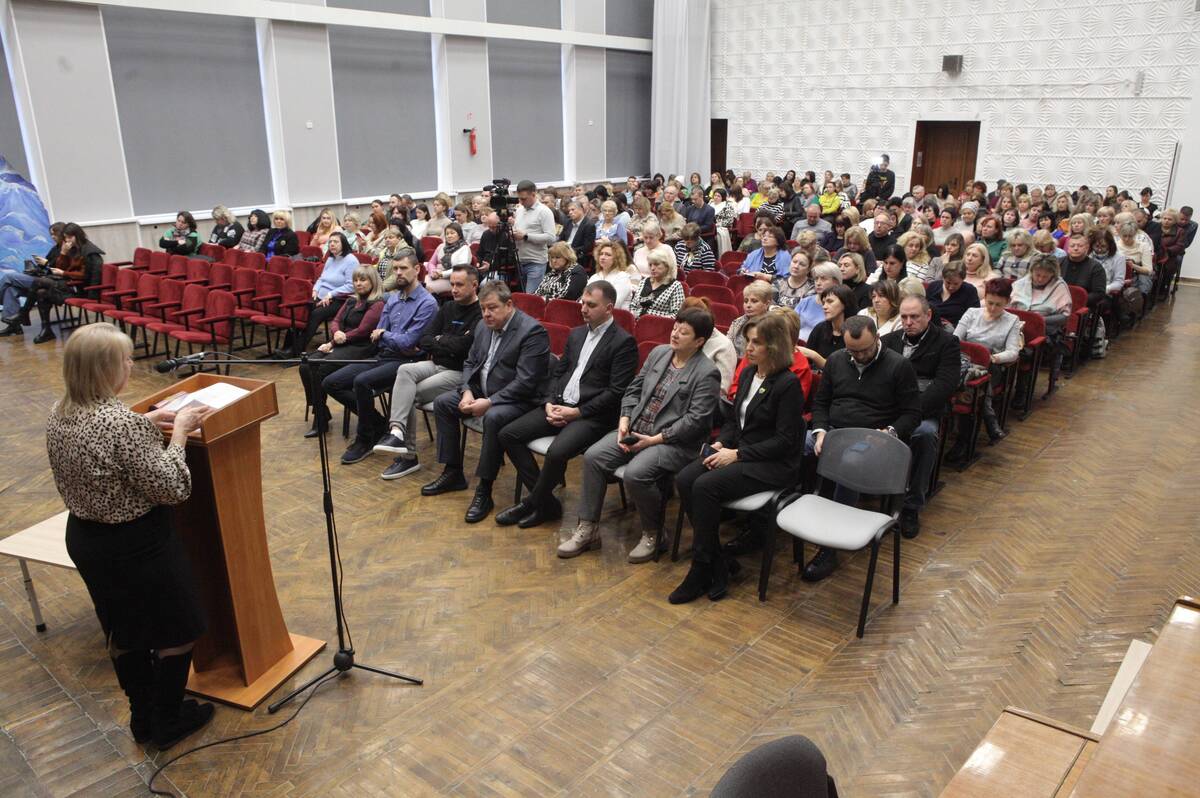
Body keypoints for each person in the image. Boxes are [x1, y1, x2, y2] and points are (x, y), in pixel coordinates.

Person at [45, 323, 213, 750]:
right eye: (125, 359)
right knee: (179, 629)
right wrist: (178, 430)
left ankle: (143, 718)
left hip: (88, 539)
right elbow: (175, 487)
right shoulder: (121, 424)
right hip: (136, 542)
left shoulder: (61, 411)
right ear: (105, 369)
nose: (131, 365)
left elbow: (107, 449)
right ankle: (169, 720)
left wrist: (145, 420)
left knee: (125, 630)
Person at [558, 307, 721, 562]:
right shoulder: (659, 353)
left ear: (699, 341)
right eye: (675, 327)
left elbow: (695, 421)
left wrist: (653, 440)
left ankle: (655, 534)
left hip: (673, 443)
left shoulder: (707, 372)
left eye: (684, 332)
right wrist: (624, 421)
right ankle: (588, 529)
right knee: (593, 457)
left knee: (637, 473)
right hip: (635, 430)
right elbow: (633, 390)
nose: (675, 334)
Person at [671, 313, 805, 603]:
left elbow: (785, 442)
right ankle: (718, 561)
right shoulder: (747, 373)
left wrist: (737, 454)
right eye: (748, 341)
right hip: (740, 452)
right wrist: (722, 443)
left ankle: (701, 567)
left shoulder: (787, 384)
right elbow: (733, 421)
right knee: (685, 478)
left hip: (773, 464)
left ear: (774, 346)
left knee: (706, 486)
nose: (749, 347)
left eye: (757, 342)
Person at [496, 282, 638, 528]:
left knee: (557, 452)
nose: (583, 308)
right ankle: (547, 503)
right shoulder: (576, 334)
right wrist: (550, 402)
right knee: (508, 434)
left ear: (609, 308)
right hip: (561, 405)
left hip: (591, 416)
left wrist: (578, 412)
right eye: (583, 302)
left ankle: (532, 503)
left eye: (591, 305)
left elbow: (616, 393)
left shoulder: (623, 343)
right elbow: (557, 374)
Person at [803, 315, 920, 581]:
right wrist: (819, 430)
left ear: (877, 338)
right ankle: (775, 521)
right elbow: (821, 403)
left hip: (871, 438)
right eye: (853, 351)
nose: (859, 356)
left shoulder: (898, 366)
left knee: (851, 463)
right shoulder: (836, 360)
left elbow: (912, 414)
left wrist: (889, 433)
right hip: (832, 432)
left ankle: (831, 546)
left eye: (865, 349)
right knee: (791, 443)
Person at [424, 281, 550, 523]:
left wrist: (489, 402)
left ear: (509, 305)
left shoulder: (532, 332)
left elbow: (526, 382)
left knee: (493, 418)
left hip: (518, 400)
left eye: (492, 308)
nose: (486, 314)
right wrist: (467, 391)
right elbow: (471, 362)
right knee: (443, 403)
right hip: (482, 392)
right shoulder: (483, 326)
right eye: (483, 309)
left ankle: (484, 490)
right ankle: (453, 472)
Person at [373, 265, 482, 478]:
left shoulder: (480, 312)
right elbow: (425, 339)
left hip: (459, 372)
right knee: (404, 370)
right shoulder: (448, 307)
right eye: (452, 284)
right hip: (437, 365)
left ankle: (408, 457)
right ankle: (396, 431)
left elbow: (464, 348)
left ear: (475, 285)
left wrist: (440, 340)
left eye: (460, 285)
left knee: (409, 394)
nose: (454, 289)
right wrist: (444, 341)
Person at [325, 256, 437, 464]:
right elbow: (378, 334)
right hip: (383, 355)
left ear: (417, 269)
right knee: (331, 382)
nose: (399, 273)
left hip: (407, 363)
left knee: (362, 381)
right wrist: (388, 336)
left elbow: (406, 343)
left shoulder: (427, 303)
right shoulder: (393, 298)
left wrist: (386, 335)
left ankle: (365, 438)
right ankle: (379, 425)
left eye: (404, 268)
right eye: (395, 269)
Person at [880, 294, 962, 534]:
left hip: (924, 410)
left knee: (924, 435)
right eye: (904, 317)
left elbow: (944, 386)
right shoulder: (888, 340)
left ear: (928, 315)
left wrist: (910, 415)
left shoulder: (946, 343)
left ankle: (911, 506)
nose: (908, 322)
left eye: (914, 317)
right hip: (890, 408)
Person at [298, 266, 385, 437]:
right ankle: (321, 412)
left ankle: (321, 419)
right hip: (342, 343)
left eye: (363, 280)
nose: (358, 283)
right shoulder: (351, 300)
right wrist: (336, 334)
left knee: (319, 368)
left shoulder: (377, 304)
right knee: (305, 366)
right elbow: (335, 320)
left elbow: (363, 330)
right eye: (356, 280)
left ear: (373, 281)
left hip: (361, 348)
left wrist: (336, 340)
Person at [953, 278, 1021, 446]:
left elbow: (1013, 351)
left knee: (977, 385)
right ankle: (990, 422)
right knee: (972, 383)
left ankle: (964, 440)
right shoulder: (972, 313)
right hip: (965, 362)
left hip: (992, 365)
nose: (992, 308)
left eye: (998, 305)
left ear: (1007, 302)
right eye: (990, 303)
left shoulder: (1012, 320)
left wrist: (995, 358)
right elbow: (955, 340)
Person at [1010, 252, 1073, 395]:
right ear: (1031, 271)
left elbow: (1064, 316)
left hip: (1045, 330)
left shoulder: (1059, 286)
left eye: (1045, 276)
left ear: (1053, 274)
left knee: (1028, 352)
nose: (1039, 279)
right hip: (1017, 326)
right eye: (1037, 275)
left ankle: (1022, 390)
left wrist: (1038, 320)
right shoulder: (1021, 283)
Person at [288, 231, 357, 356]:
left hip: (340, 300)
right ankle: (287, 347)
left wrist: (331, 294)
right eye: (330, 242)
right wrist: (315, 289)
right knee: (299, 311)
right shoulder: (331, 258)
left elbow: (351, 286)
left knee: (315, 314)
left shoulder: (351, 260)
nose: (332, 244)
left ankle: (295, 351)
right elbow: (322, 278)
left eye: (336, 242)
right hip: (321, 296)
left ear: (344, 244)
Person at [682, 295, 738, 394]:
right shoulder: (682, 336)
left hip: (700, 398)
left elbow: (721, 388)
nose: (679, 331)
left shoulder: (724, 345)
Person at [513, 180, 559, 293]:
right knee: (522, 299)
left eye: (523, 198)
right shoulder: (519, 210)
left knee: (530, 300)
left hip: (536, 262)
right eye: (519, 198)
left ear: (533, 194)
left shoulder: (544, 211)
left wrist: (526, 236)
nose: (521, 202)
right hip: (520, 261)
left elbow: (551, 238)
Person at [800, 284, 858, 369]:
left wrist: (815, 356)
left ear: (845, 303)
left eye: (830, 302)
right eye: (823, 303)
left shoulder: (855, 332)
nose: (824, 307)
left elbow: (845, 370)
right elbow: (806, 361)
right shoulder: (820, 328)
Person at [630, 249, 685, 320]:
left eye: (656, 264)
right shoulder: (644, 282)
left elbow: (676, 315)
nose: (652, 268)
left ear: (667, 266)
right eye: (650, 265)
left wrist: (652, 320)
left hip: (660, 327)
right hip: (637, 324)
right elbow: (633, 305)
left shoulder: (676, 286)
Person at [588, 240, 641, 311]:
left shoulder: (622, 277)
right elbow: (584, 299)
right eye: (601, 254)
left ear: (616, 259)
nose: (603, 257)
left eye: (608, 255)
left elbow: (614, 304)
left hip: (616, 317)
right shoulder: (594, 277)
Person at [424, 222, 473, 295]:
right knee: (418, 285)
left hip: (452, 279)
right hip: (435, 276)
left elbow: (461, 268)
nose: (449, 236)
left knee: (426, 288)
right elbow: (431, 262)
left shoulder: (464, 249)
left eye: (452, 233)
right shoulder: (441, 246)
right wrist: (433, 272)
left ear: (459, 235)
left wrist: (442, 274)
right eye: (447, 234)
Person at [926, 261, 980, 327]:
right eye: (948, 282)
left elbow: (974, 317)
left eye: (956, 284)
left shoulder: (969, 290)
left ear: (963, 280)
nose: (951, 287)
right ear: (943, 278)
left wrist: (955, 326)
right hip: (930, 327)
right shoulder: (933, 286)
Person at [728, 280, 774, 358]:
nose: (748, 305)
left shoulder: (773, 326)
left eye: (754, 301)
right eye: (746, 301)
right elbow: (727, 346)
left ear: (767, 303)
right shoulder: (737, 322)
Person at [1114, 212, 1154, 296]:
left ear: (1135, 234)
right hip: (1117, 272)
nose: (1127, 239)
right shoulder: (1115, 244)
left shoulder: (1143, 246)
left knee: (1142, 283)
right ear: (1120, 234)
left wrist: (1133, 266)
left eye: (1130, 236)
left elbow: (1148, 270)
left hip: (1137, 272)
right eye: (1124, 236)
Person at [558, 199, 596, 269]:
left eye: (573, 210)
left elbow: (587, 247)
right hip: (564, 253)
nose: (570, 212)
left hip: (579, 256)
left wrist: (570, 250)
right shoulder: (567, 222)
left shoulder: (589, 225)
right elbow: (561, 239)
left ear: (581, 209)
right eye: (569, 211)